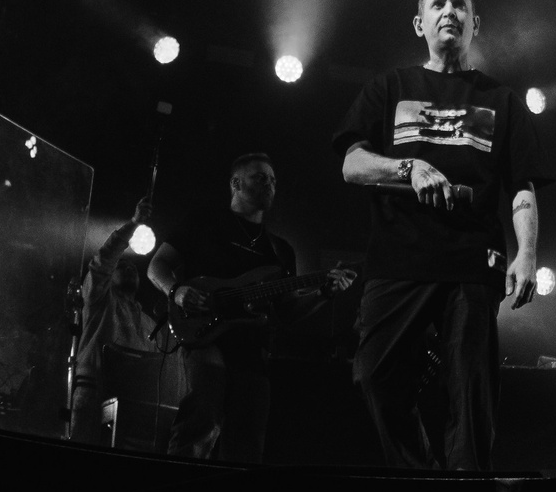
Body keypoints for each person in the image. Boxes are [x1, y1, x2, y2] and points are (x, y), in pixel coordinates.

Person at [335, 0, 540, 471]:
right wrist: (408, 167)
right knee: (373, 376)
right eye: (438, 4)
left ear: (475, 23)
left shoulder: (503, 100)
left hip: (471, 262)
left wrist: (528, 254)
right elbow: (351, 164)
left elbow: (522, 188)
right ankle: (423, 479)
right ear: (419, 22)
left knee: (472, 396)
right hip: (398, 259)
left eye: (460, 5)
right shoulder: (389, 87)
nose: (449, 11)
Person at [147, 154, 352, 463]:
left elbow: (287, 312)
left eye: (273, 180)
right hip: (205, 337)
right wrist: (176, 291)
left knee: (248, 441)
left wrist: (324, 293)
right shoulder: (204, 222)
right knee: (202, 419)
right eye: (260, 177)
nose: (269, 184)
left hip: (253, 351)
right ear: (236, 183)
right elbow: (156, 265)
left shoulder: (280, 250)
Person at [71, 197, 172, 449]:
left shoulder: (149, 324)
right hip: (93, 391)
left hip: (132, 403)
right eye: (122, 266)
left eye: (133, 268)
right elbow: (103, 261)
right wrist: (134, 224)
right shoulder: (99, 302)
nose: (129, 268)